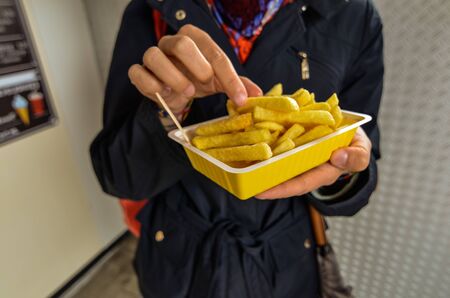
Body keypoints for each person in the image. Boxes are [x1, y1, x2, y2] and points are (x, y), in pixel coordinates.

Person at [90, 0, 383, 297]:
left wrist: (343, 169)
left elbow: (360, 165)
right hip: (178, 262)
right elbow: (117, 176)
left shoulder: (354, 15)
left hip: (287, 264)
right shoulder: (151, 10)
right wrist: (167, 113)